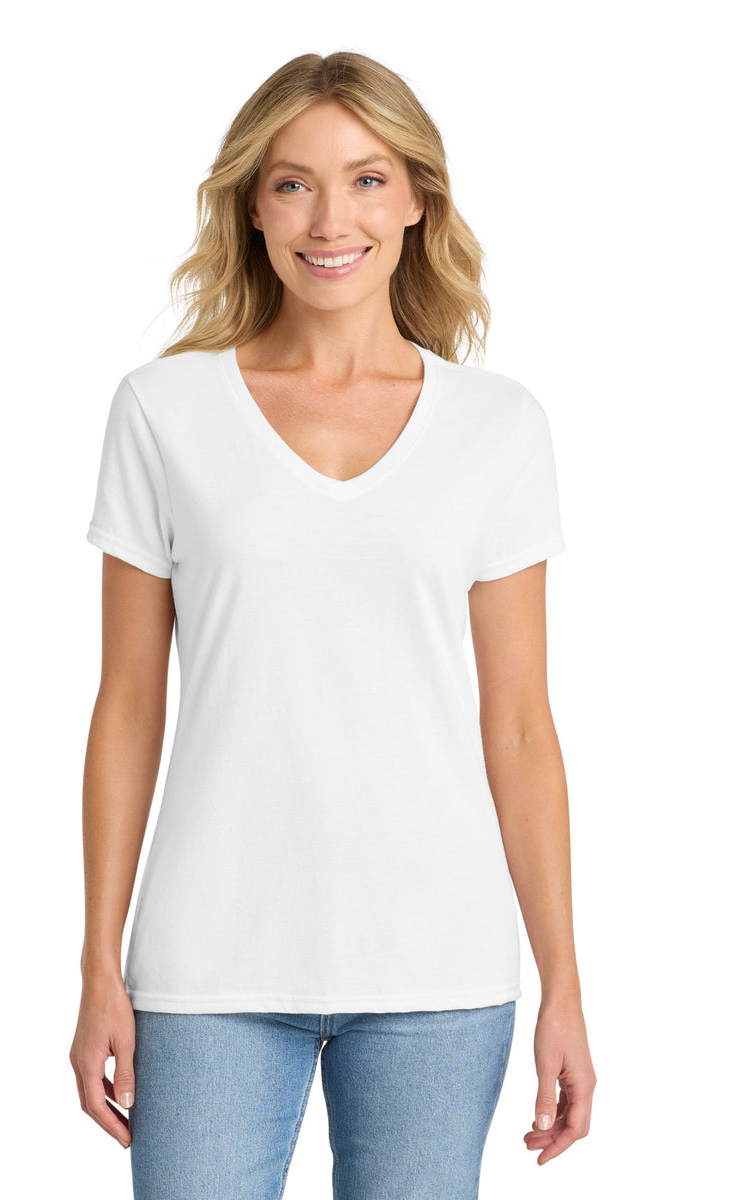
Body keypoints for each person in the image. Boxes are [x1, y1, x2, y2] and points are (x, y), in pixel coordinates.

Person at [70, 49, 596, 1200]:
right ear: (252, 207)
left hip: (437, 971)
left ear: (415, 200)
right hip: (206, 969)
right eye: (292, 183)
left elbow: (519, 727)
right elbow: (128, 706)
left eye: (365, 180)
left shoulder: (497, 428)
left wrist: (562, 981)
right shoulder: (162, 411)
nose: (328, 220)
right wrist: (97, 964)